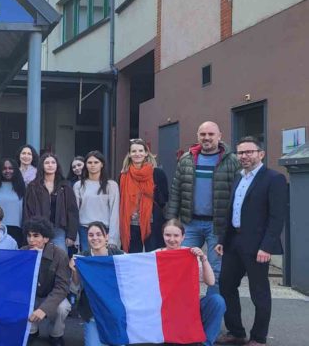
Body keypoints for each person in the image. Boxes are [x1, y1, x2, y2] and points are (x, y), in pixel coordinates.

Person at [215, 137, 286, 346]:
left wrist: (267, 246)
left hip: (257, 247)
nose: (244, 156)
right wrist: (222, 239)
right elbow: (232, 210)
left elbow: (277, 217)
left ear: (260, 154)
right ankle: (236, 332)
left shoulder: (274, 179)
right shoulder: (239, 178)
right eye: (240, 153)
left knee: (259, 292)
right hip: (233, 242)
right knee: (226, 285)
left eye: (249, 152)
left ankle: (258, 337)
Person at [166, 121, 239, 295]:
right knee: (181, 265)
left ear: (219, 136)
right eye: (203, 134)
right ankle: (185, 307)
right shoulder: (186, 159)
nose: (206, 138)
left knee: (215, 270)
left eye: (211, 134)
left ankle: (211, 310)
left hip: (217, 225)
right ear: (198, 136)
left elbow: (238, 196)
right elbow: (176, 191)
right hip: (189, 223)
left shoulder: (232, 161)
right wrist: (171, 221)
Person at [157, 219, 226, 346]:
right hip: (166, 310)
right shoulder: (155, 255)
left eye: (176, 235)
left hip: (189, 307)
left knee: (217, 301)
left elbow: (210, 282)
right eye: (168, 235)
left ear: (183, 237)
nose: (172, 239)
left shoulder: (191, 254)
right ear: (162, 236)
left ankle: (205, 343)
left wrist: (203, 259)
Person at [69, 221, 123, 346]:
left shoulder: (119, 256)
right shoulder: (82, 258)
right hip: (92, 311)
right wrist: (74, 270)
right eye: (91, 235)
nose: (95, 238)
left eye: (99, 234)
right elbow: (75, 286)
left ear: (106, 237)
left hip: (114, 313)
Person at [23, 218, 72, 346]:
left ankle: (56, 335)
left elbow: (62, 287)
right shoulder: (23, 251)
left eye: (36, 236)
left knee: (63, 307)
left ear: (46, 238)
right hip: (32, 296)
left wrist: (44, 309)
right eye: (29, 236)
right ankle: (32, 331)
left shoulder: (60, 255)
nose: (31, 240)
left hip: (52, 296)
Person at [118, 139, 168, 253]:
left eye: (140, 150)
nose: (137, 154)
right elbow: (121, 199)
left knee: (153, 256)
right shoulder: (123, 175)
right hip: (131, 224)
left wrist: (150, 191)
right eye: (134, 151)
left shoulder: (157, 173)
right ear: (129, 155)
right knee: (132, 258)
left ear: (146, 153)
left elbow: (164, 199)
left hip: (152, 224)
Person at [24, 153, 79, 252]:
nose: (50, 165)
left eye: (53, 162)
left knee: (60, 258)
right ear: (42, 166)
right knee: (38, 258)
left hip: (58, 229)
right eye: (47, 163)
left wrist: (71, 235)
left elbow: (72, 211)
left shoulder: (65, 186)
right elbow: (28, 210)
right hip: (38, 230)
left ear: (57, 165)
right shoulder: (33, 186)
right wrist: (29, 230)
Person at [73, 151, 119, 252]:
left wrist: (113, 238)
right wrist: (75, 237)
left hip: (105, 230)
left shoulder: (111, 185)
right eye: (89, 162)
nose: (92, 165)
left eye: (96, 162)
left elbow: (114, 212)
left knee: (105, 263)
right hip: (85, 229)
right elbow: (74, 212)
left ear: (102, 164)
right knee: (88, 262)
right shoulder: (78, 185)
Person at [0, 157, 27, 246]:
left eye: (10, 168)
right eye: (4, 169)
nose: (7, 171)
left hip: (18, 230)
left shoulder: (23, 187)